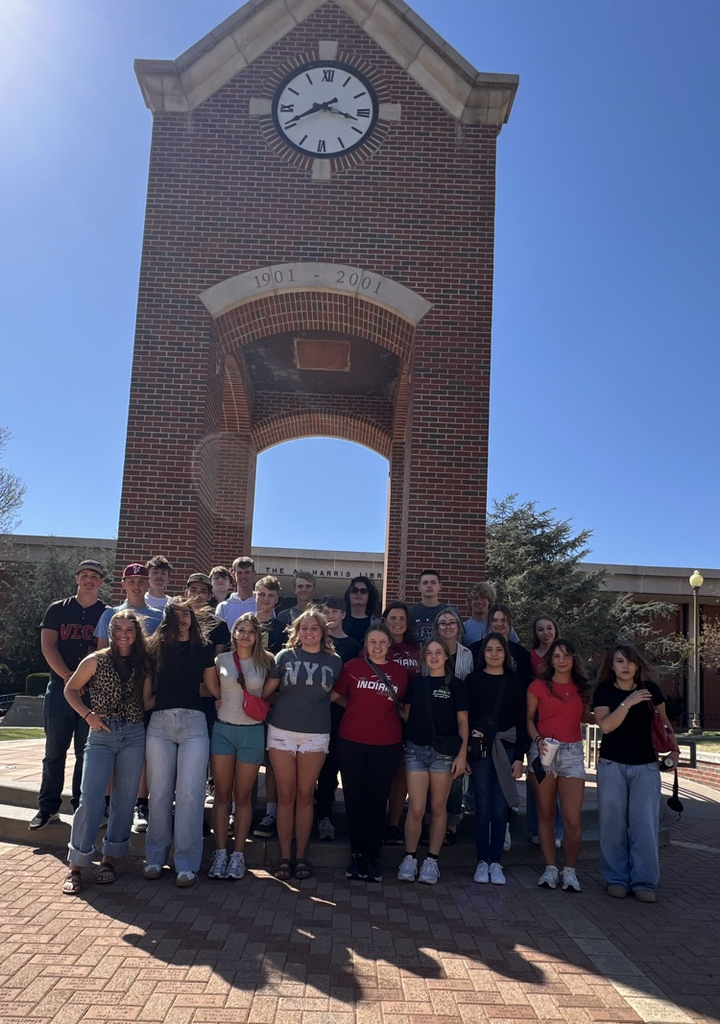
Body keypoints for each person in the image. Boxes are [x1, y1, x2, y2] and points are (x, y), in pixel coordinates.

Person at [61, 610, 150, 895]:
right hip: (101, 732)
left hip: (134, 732)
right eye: (119, 629)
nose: (124, 634)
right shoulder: (96, 659)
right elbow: (70, 689)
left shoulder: (143, 662)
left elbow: (146, 701)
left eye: (130, 630)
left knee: (125, 800)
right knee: (90, 799)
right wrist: (88, 716)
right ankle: (77, 864)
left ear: (137, 634)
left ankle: (110, 859)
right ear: (110, 632)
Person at [142, 599, 220, 887]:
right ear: (168, 618)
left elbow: (212, 686)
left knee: (190, 793)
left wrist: (225, 696)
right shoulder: (155, 647)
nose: (182, 619)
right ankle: (154, 857)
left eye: (186, 614)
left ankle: (186, 863)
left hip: (194, 724)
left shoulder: (204, 647)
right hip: (160, 723)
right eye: (176, 615)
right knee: (160, 792)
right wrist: (148, 704)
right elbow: (147, 688)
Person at [592, 644, 676, 903]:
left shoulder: (650, 691)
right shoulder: (605, 692)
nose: (625, 666)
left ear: (637, 665)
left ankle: (644, 881)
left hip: (646, 767)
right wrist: (627, 703)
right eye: (619, 661)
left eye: (630, 662)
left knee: (645, 826)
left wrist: (673, 752)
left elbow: (664, 724)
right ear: (612, 666)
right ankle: (616, 879)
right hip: (612, 765)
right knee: (612, 826)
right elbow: (606, 726)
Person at [263, 609, 342, 881]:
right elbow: (267, 692)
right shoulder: (284, 657)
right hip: (282, 731)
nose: (309, 632)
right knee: (286, 796)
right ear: (297, 631)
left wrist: (312, 706)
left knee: (306, 795)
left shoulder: (335, 661)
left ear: (323, 632)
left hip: (316, 734)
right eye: (304, 628)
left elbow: (337, 694)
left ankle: (301, 856)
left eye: (314, 628)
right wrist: (288, 706)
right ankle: (285, 857)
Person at [30, 559, 107, 831]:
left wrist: (83, 681)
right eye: (84, 575)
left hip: (91, 692)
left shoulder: (105, 613)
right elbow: (48, 646)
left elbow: (102, 651)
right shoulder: (57, 609)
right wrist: (67, 677)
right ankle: (47, 808)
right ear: (77, 578)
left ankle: (81, 807)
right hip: (59, 690)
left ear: (101, 582)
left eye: (94, 576)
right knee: (54, 752)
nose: (89, 580)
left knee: (86, 754)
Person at [332, 625, 408, 881]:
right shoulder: (352, 667)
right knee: (354, 799)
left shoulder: (400, 673)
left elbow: (406, 708)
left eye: (382, 642)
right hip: (351, 741)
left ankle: (373, 857)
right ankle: (356, 855)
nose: (377, 646)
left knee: (377, 801)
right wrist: (353, 707)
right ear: (366, 644)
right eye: (372, 642)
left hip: (387, 744)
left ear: (389, 645)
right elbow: (335, 695)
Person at [397, 637, 468, 885]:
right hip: (416, 749)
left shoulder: (457, 685)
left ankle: (432, 860)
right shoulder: (416, 684)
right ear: (424, 657)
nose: (435, 657)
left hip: (444, 753)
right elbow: (405, 713)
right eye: (430, 653)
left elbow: (462, 722)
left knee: (438, 808)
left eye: (439, 652)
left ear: (446, 656)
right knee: (416, 808)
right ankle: (409, 857)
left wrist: (462, 754)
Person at [209, 614, 274, 880]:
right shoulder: (221, 659)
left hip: (252, 732)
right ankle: (220, 853)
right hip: (224, 730)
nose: (245, 635)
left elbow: (270, 694)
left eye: (251, 631)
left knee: (244, 796)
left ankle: (238, 855)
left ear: (258, 635)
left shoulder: (268, 661)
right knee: (222, 795)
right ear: (234, 633)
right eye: (241, 630)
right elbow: (213, 690)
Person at [526, 638, 589, 892]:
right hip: (544, 751)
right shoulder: (538, 686)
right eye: (557, 656)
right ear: (549, 660)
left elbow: (588, 715)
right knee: (545, 813)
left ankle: (570, 870)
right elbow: (529, 719)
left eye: (566, 655)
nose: (561, 660)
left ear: (574, 659)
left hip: (572, 752)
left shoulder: (582, 688)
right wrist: (537, 739)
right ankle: (550, 868)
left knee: (573, 820)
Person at [465, 632, 526, 885]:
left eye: (498, 650)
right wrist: (467, 753)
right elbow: (467, 719)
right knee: (482, 804)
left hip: (507, 748)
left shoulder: (515, 682)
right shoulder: (473, 680)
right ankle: (482, 860)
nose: (493, 654)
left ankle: (496, 861)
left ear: (505, 653)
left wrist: (519, 757)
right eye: (489, 650)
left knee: (501, 807)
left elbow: (522, 721)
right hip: (480, 749)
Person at [314, 596, 361, 841]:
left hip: (340, 716)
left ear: (344, 614)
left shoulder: (353, 646)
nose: (330, 615)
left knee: (331, 769)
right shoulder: (314, 641)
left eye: (335, 611)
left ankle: (325, 817)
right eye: (325, 610)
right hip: (310, 715)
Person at [430, 608, 473, 845]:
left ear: (459, 626)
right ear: (437, 628)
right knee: (431, 778)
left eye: (452, 623)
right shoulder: (430, 652)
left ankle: (452, 824)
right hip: (433, 722)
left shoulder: (468, 655)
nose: (447, 627)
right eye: (443, 623)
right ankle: (432, 824)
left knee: (454, 777)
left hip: (458, 719)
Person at [382, 601, 419, 844]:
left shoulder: (417, 650)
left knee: (401, 773)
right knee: (380, 773)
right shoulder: (375, 646)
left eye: (401, 619)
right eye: (392, 618)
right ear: (384, 621)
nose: (397, 622)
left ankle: (394, 824)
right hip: (381, 718)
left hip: (411, 719)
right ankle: (376, 820)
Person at [527, 614, 563, 847]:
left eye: (549, 628)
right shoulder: (529, 657)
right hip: (536, 725)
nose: (545, 633)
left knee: (558, 777)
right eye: (540, 629)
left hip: (558, 723)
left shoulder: (563, 656)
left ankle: (556, 831)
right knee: (536, 776)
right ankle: (534, 828)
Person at [94, 563, 163, 644]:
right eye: (131, 581)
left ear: (148, 585)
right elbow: (101, 650)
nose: (136, 586)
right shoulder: (110, 614)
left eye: (141, 582)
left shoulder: (159, 616)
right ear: (123, 584)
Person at [470, 603, 532, 688]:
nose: (499, 624)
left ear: (509, 623)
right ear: (489, 622)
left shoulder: (521, 654)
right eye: (495, 620)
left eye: (503, 620)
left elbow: (525, 683)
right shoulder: (475, 649)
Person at [408, 569, 450, 646]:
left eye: (433, 583)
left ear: (440, 586)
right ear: (419, 587)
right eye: (425, 583)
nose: (429, 586)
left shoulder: (449, 612)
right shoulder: (410, 612)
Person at [215, 556, 257, 630]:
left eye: (247, 572)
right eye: (239, 573)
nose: (243, 576)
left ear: (254, 574)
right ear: (233, 575)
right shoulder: (223, 607)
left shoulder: (262, 606)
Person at [253, 575, 286, 654]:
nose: (266, 599)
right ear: (254, 596)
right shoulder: (244, 627)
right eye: (262, 594)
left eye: (271, 595)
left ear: (277, 599)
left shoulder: (284, 631)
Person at [342, 576, 381, 643]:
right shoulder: (340, 621)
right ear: (349, 594)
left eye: (363, 591)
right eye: (354, 590)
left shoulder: (377, 624)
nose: (358, 593)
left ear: (369, 596)